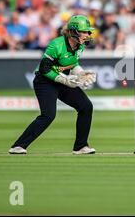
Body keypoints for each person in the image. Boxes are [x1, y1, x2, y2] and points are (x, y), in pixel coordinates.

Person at [9, 15, 97, 155]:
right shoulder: (56, 45)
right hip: (44, 82)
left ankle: (80, 146)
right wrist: (65, 80)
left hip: (61, 80)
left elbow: (72, 63)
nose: (88, 34)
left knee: (86, 107)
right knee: (48, 115)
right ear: (74, 32)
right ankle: (18, 146)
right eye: (85, 31)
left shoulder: (80, 45)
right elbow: (44, 69)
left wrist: (80, 73)